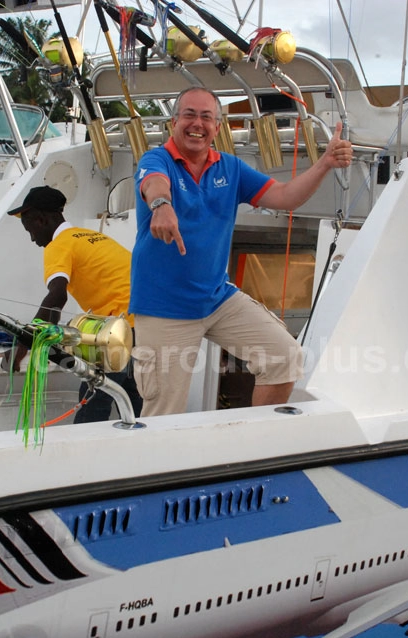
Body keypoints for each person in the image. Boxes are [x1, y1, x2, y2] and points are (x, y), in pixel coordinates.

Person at [131, 87, 353, 416]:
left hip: (216, 298)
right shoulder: (156, 160)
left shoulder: (230, 168)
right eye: (189, 114)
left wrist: (324, 163)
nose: (197, 123)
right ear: (173, 123)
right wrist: (162, 206)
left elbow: (284, 196)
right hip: (165, 306)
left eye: (207, 117)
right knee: (163, 413)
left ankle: (255, 443)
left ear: (217, 128)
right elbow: (154, 184)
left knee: (284, 356)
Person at [5, 186, 143, 423]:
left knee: (92, 407)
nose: (32, 238)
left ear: (41, 219)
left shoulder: (58, 245)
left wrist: (25, 343)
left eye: (30, 230)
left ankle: (83, 459)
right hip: (143, 326)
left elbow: (57, 296)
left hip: (118, 332)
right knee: (134, 405)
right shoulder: (94, 238)